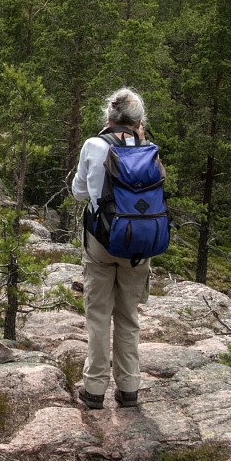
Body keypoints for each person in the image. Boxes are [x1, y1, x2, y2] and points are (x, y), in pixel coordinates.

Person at [71, 87, 153, 410]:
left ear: (109, 116)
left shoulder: (93, 145)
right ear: (138, 120)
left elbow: (79, 192)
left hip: (101, 242)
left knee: (98, 315)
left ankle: (94, 389)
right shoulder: (147, 149)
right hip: (139, 245)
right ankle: (129, 387)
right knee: (128, 316)